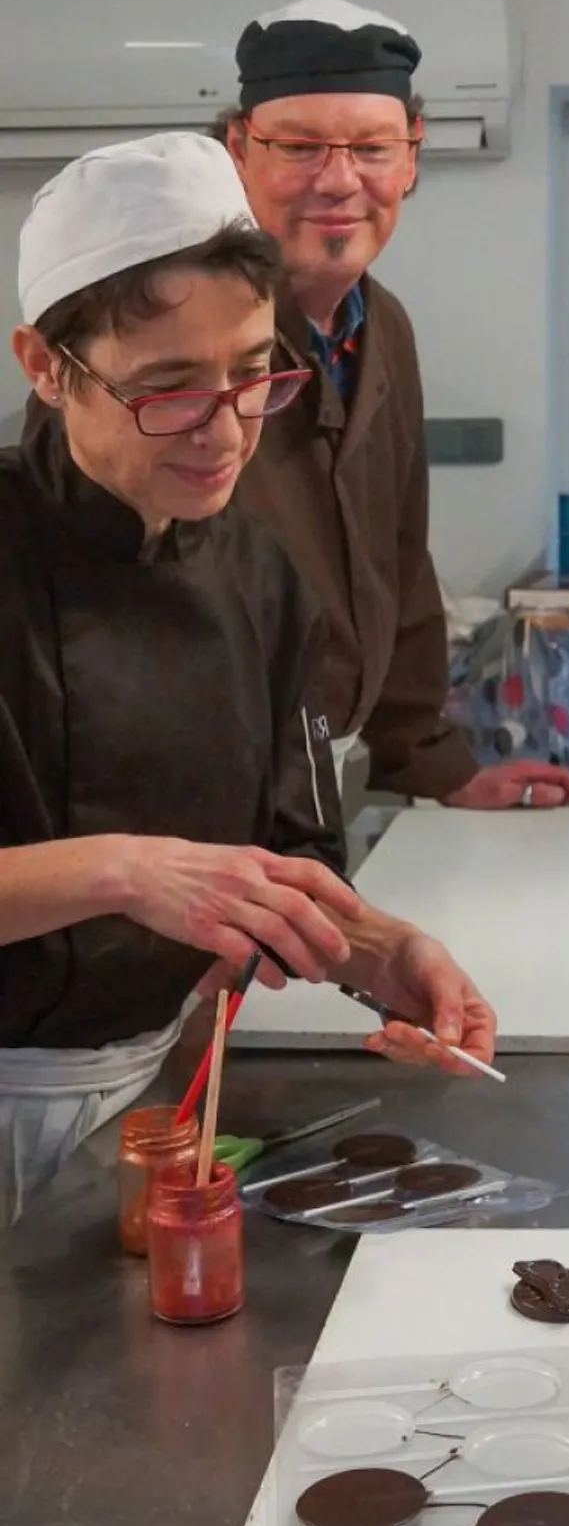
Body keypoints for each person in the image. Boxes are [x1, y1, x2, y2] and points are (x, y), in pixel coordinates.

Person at [0, 132, 498, 1220]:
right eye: (169, 389)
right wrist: (120, 871)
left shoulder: (258, 573)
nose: (225, 432)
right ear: (45, 366)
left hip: (164, 1091)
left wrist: (376, 950)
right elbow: (153, 879)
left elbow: (283, 851)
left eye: (253, 373)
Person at [223, 0, 569, 810]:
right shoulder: (185, 325)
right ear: (239, 151)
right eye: (300, 146)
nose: (340, 180)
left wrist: (438, 767)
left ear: (412, 155)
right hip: (191, 791)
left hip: (319, 781)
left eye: (372, 148)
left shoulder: (382, 327)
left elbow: (397, 559)